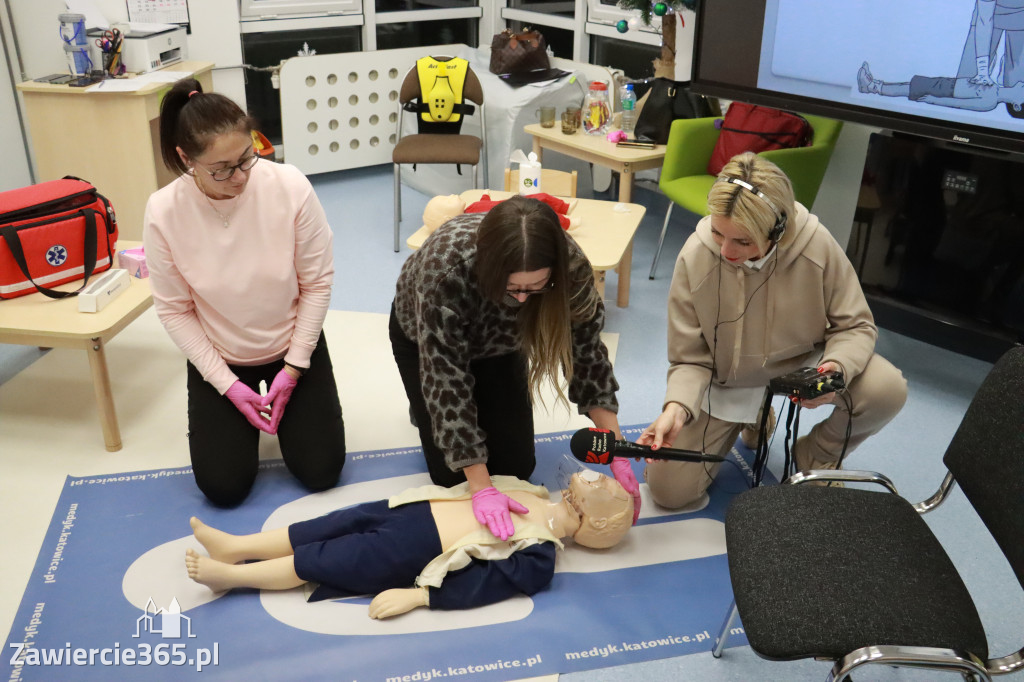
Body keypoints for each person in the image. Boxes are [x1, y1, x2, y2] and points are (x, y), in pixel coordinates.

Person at [639, 152, 908, 509]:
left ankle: (817, 454)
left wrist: (835, 370)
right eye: (718, 233)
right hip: (728, 381)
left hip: (800, 366)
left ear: (778, 228)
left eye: (743, 241)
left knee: (886, 389)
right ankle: (754, 414)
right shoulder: (696, 255)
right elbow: (691, 358)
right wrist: (677, 407)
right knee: (669, 493)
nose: (726, 251)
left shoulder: (817, 245)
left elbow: (855, 326)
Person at [388, 196, 640, 540]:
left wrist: (616, 447)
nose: (522, 299)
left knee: (516, 470)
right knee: (456, 479)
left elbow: (586, 353)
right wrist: (480, 486)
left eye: (536, 289)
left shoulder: (571, 264)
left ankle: (446, 409)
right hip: (425, 343)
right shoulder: (446, 268)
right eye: (513, 288)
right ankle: (421, 405)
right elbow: (445, 377)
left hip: (503, 345)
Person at [144, 78, 345, 507]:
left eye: (246, 158)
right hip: (221, 356)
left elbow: (317, 283)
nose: (239, 177)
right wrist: (227, 385)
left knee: (322, 473)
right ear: (186, 158)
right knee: (223, 489)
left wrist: (293, 369)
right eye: (222, 169)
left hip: (292, 347)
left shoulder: (289, 186)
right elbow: (175, 310)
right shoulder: (163, 211)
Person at [184, 469, 634, 619]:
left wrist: (421, 596)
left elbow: (487, 584)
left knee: (324, 559)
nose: (585, 485)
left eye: (595, 494)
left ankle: (231, 576)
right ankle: (236, 545)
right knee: (325, 526)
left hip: (415, 552)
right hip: (411, 510)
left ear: (596, 526)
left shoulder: (539, 557)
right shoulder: (534, 492)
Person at [858, 61, 1024, 112]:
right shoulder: (994, 85)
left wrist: (933, 100)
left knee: (909, 89)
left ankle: (872, 87)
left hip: (946, 92)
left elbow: (959, 104)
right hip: (948, 84)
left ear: (1016, 106)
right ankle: (874, 85)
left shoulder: (990, 103)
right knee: (909, 85)